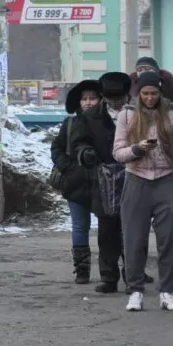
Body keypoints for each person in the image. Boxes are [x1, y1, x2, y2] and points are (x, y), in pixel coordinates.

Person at [112, 70, 173, 311]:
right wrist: (137, 149)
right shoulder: (127, 116)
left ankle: (167, 292)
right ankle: (135, 291)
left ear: (160, 92)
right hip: (137, 180)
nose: (149, 98)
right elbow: (117, 152)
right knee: (134, 239)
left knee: (168, 240)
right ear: (138, 94)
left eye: (154, 93)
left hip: (167, 181)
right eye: (144, 93)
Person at [51, 79, 113, 285]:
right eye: (84, 99)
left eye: (92, 98)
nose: (88, 102)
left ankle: (117, 269)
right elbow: (57, 148)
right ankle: (82, 270)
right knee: (80, 226)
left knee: (111, 227)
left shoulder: (108, 123)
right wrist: (67, 167)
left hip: (104, 183)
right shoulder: (70, 123)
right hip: (76, 183)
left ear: (101, 100)